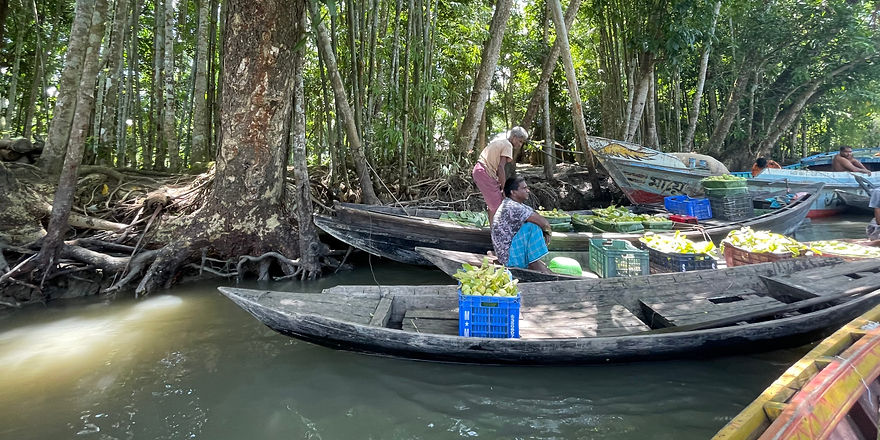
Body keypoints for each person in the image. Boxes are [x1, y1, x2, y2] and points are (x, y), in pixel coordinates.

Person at [491, 176, 553, 273]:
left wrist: (544, 230)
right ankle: (534, 263)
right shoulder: (512, 206)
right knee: (533, 227)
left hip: (508, 253)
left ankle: (534, 261)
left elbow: (536, 215)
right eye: (524, 188)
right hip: (508, 258)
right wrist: (548, 233)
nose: (528, 191)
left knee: (533, 223)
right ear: (513, 192)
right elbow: (543, 222)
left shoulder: (517, 205)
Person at [472, 127, 529, 223]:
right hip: (484, 172)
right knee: (498, 205)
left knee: (494, 202)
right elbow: (501, 167)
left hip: (481, 170)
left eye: (522, 142)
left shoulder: (501, 142)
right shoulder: (508, 146)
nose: (520, 145)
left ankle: (493, 230)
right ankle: (498, 232)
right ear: (514, 137)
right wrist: (505, 188)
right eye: (519, 141)